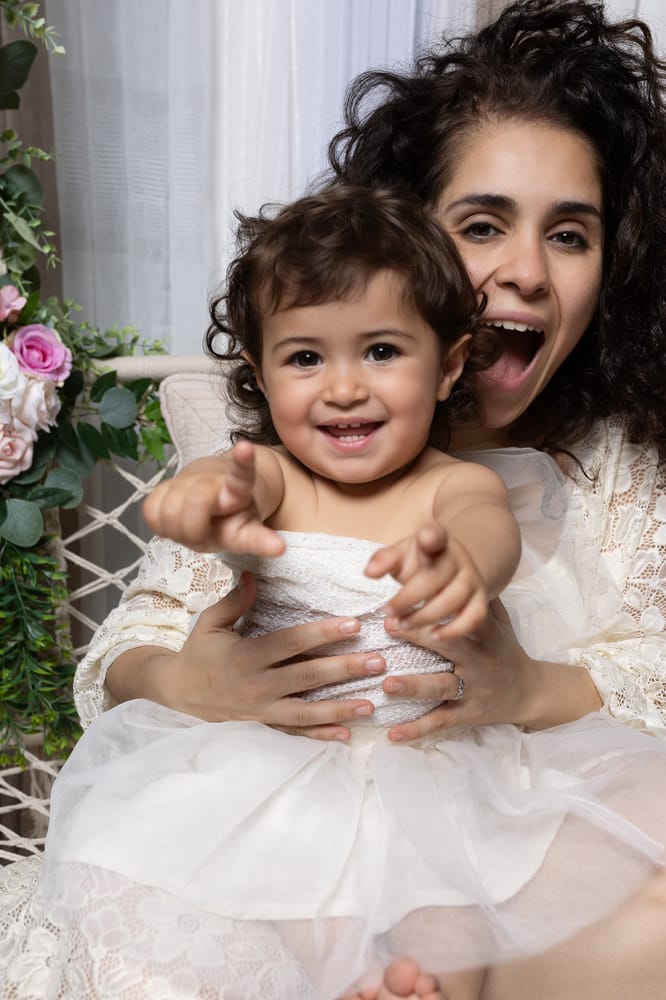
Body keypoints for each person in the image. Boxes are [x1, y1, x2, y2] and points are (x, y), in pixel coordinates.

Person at [1, 0, 664, 997]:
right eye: (484, 224)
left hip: (497, 817)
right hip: (294, 805)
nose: (525, 270)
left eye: (569, 235)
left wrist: (524, 678)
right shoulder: (287, 457)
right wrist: (196, 667)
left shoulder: (615, 462)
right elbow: (128, 648)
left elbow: (495, 530)